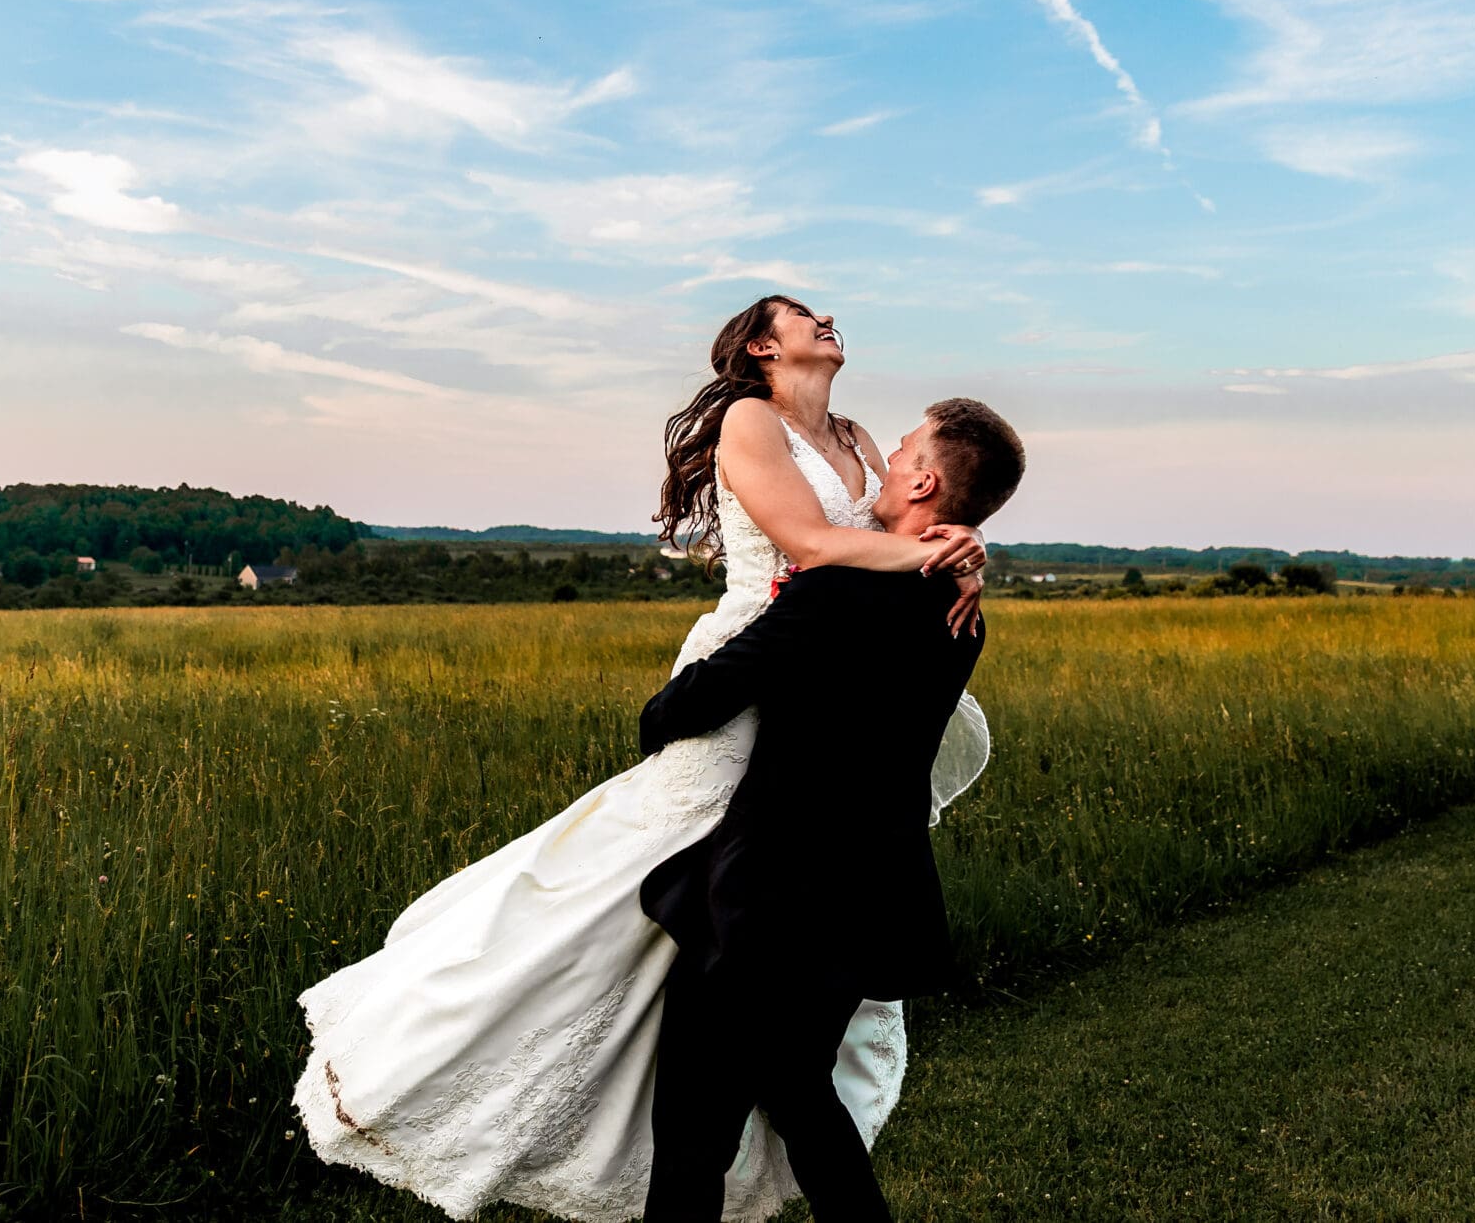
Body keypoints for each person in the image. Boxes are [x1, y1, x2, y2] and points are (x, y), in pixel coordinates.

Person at [293, 296, 995, 1222]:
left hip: (781, 806)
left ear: (921, 481)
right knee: (777, 1059)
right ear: (761, 345)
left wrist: (949, 549)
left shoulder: (844, 547)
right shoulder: (939, 598)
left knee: (711, 1087)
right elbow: (835, 539)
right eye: (803, 315)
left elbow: (820, 567)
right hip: (844, 827)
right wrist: (948, 552)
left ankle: (539, 1040)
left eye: (907, 454)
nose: (828, 319)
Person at [639, 397, 1027, 1222]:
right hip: (870, 897)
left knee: (694, 1128)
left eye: (905, 450)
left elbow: (702, 697)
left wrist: (658, 710)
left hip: (771, 897)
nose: (888, 458)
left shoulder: (840, 590)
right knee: (800, 1094)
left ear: (924, 483)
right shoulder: (962, 616)